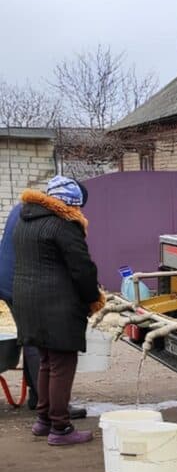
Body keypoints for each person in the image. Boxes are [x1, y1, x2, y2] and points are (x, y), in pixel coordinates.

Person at [12, 176, 101, 445]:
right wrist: (93, 298)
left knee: (47, 362)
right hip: (57, 305)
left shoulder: (25, 222)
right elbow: (82, 269)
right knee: (62, 364)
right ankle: (60, 427)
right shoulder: (64, 226)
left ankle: (44, 420)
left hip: (28, 302)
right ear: (70, 204)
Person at [1, 200, 87, 418]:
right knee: (41, 345)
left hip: (12, 280)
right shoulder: (51, 219)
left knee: (33, 339)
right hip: (18, 283)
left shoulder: (25, 209)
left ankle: (36, 397)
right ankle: (53, 409)